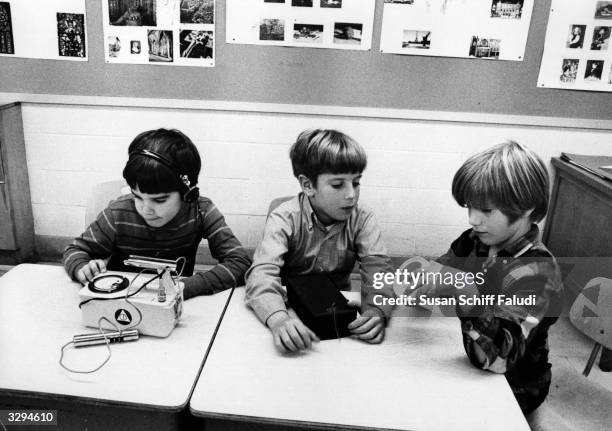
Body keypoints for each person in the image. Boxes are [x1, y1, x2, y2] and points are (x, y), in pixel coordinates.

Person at [412, 141, 563, 414]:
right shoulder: (474, 241)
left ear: (526, 206)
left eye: (486, 210)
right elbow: (438, 274)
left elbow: (495, 360)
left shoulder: (537, 270)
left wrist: (463, 289)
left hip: (513, 388)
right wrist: (421, 281)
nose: (472, 219)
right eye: (469, 207)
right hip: (470, 366)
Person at [245, 129, 395, 353]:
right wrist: (278, 319)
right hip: (290, 312)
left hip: (339, 319)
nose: (351, 195)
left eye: (356, 183)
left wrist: (376, 310)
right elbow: (262, 274)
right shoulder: (284, 217)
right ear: (307, 185)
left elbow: (379, 272)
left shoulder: (363, 218)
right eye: (338, 185)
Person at [63, 128, 251, 299]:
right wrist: (81, 268)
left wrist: (187, 286)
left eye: (159, 200)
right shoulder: (117, 213)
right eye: (137, 196)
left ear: (188, 193)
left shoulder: (202, 211)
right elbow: (75, 251)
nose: (145, 209)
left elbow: (240, 262)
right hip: (121, 299)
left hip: (175, 300)